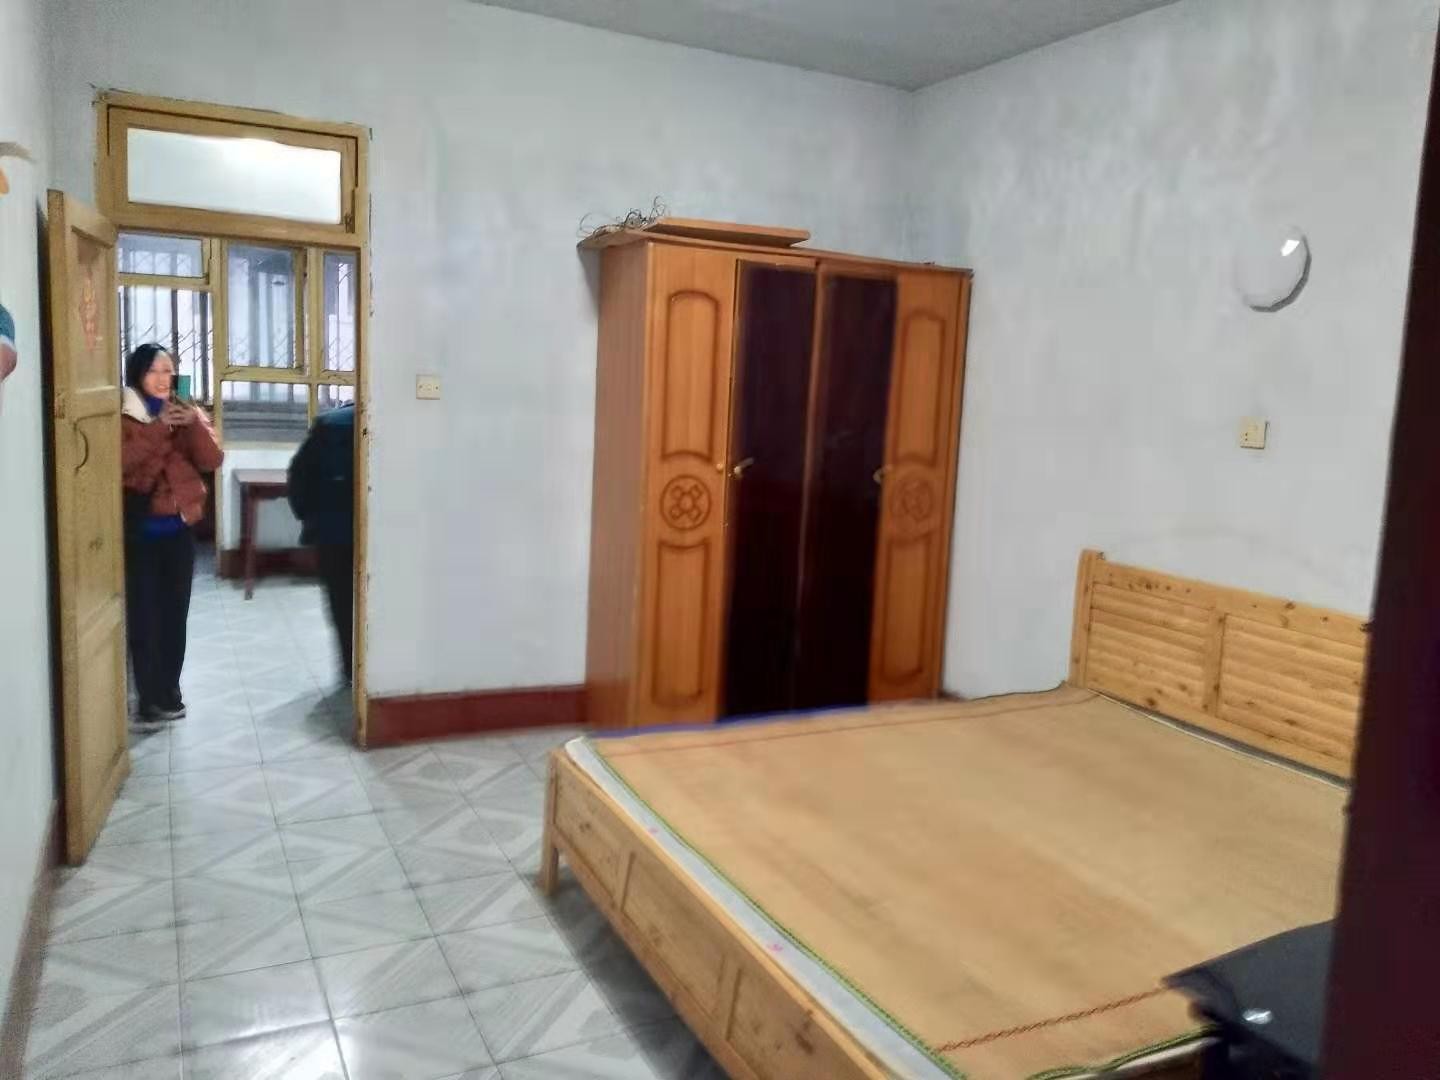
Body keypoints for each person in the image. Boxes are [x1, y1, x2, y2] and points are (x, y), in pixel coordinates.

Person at [121, 343, 223, 724]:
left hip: (179, 531)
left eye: (168, 371)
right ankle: (149, 698)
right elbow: (122, 463)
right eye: (154, 371)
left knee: (175, 615)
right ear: (138, 375)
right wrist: (161, 427)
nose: (163, 379)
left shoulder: (186, 411)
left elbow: (212, 459)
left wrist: (193, 422)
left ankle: (170, 690)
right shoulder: (124, 415)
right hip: (140, 535)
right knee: (144, 616)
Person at [288, 401, 355, 683]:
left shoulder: (327, 426)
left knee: (341, 601)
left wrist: (310, 519)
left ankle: (350, 669)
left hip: (332, 533)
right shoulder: (393, 423)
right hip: (382, 534)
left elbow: (298, 479)